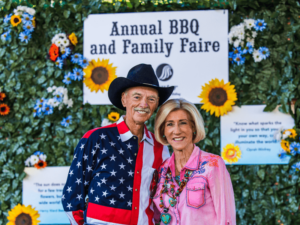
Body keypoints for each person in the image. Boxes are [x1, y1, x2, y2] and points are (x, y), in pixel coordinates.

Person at [62, 64, 174, 225]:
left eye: (151, 99)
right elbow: (72, 195)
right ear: (124, 99)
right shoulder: (97, 138)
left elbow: (163, 199)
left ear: (156, 105)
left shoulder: (160, 148)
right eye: (137, 97)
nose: (144, 104)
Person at [152, 99, 236, 225]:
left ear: (193, 127)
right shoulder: (162, 169)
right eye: (170, 124)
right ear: (163, 131)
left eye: (183, 123)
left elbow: (226, 218)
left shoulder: (212, 164)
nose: (177, 131)